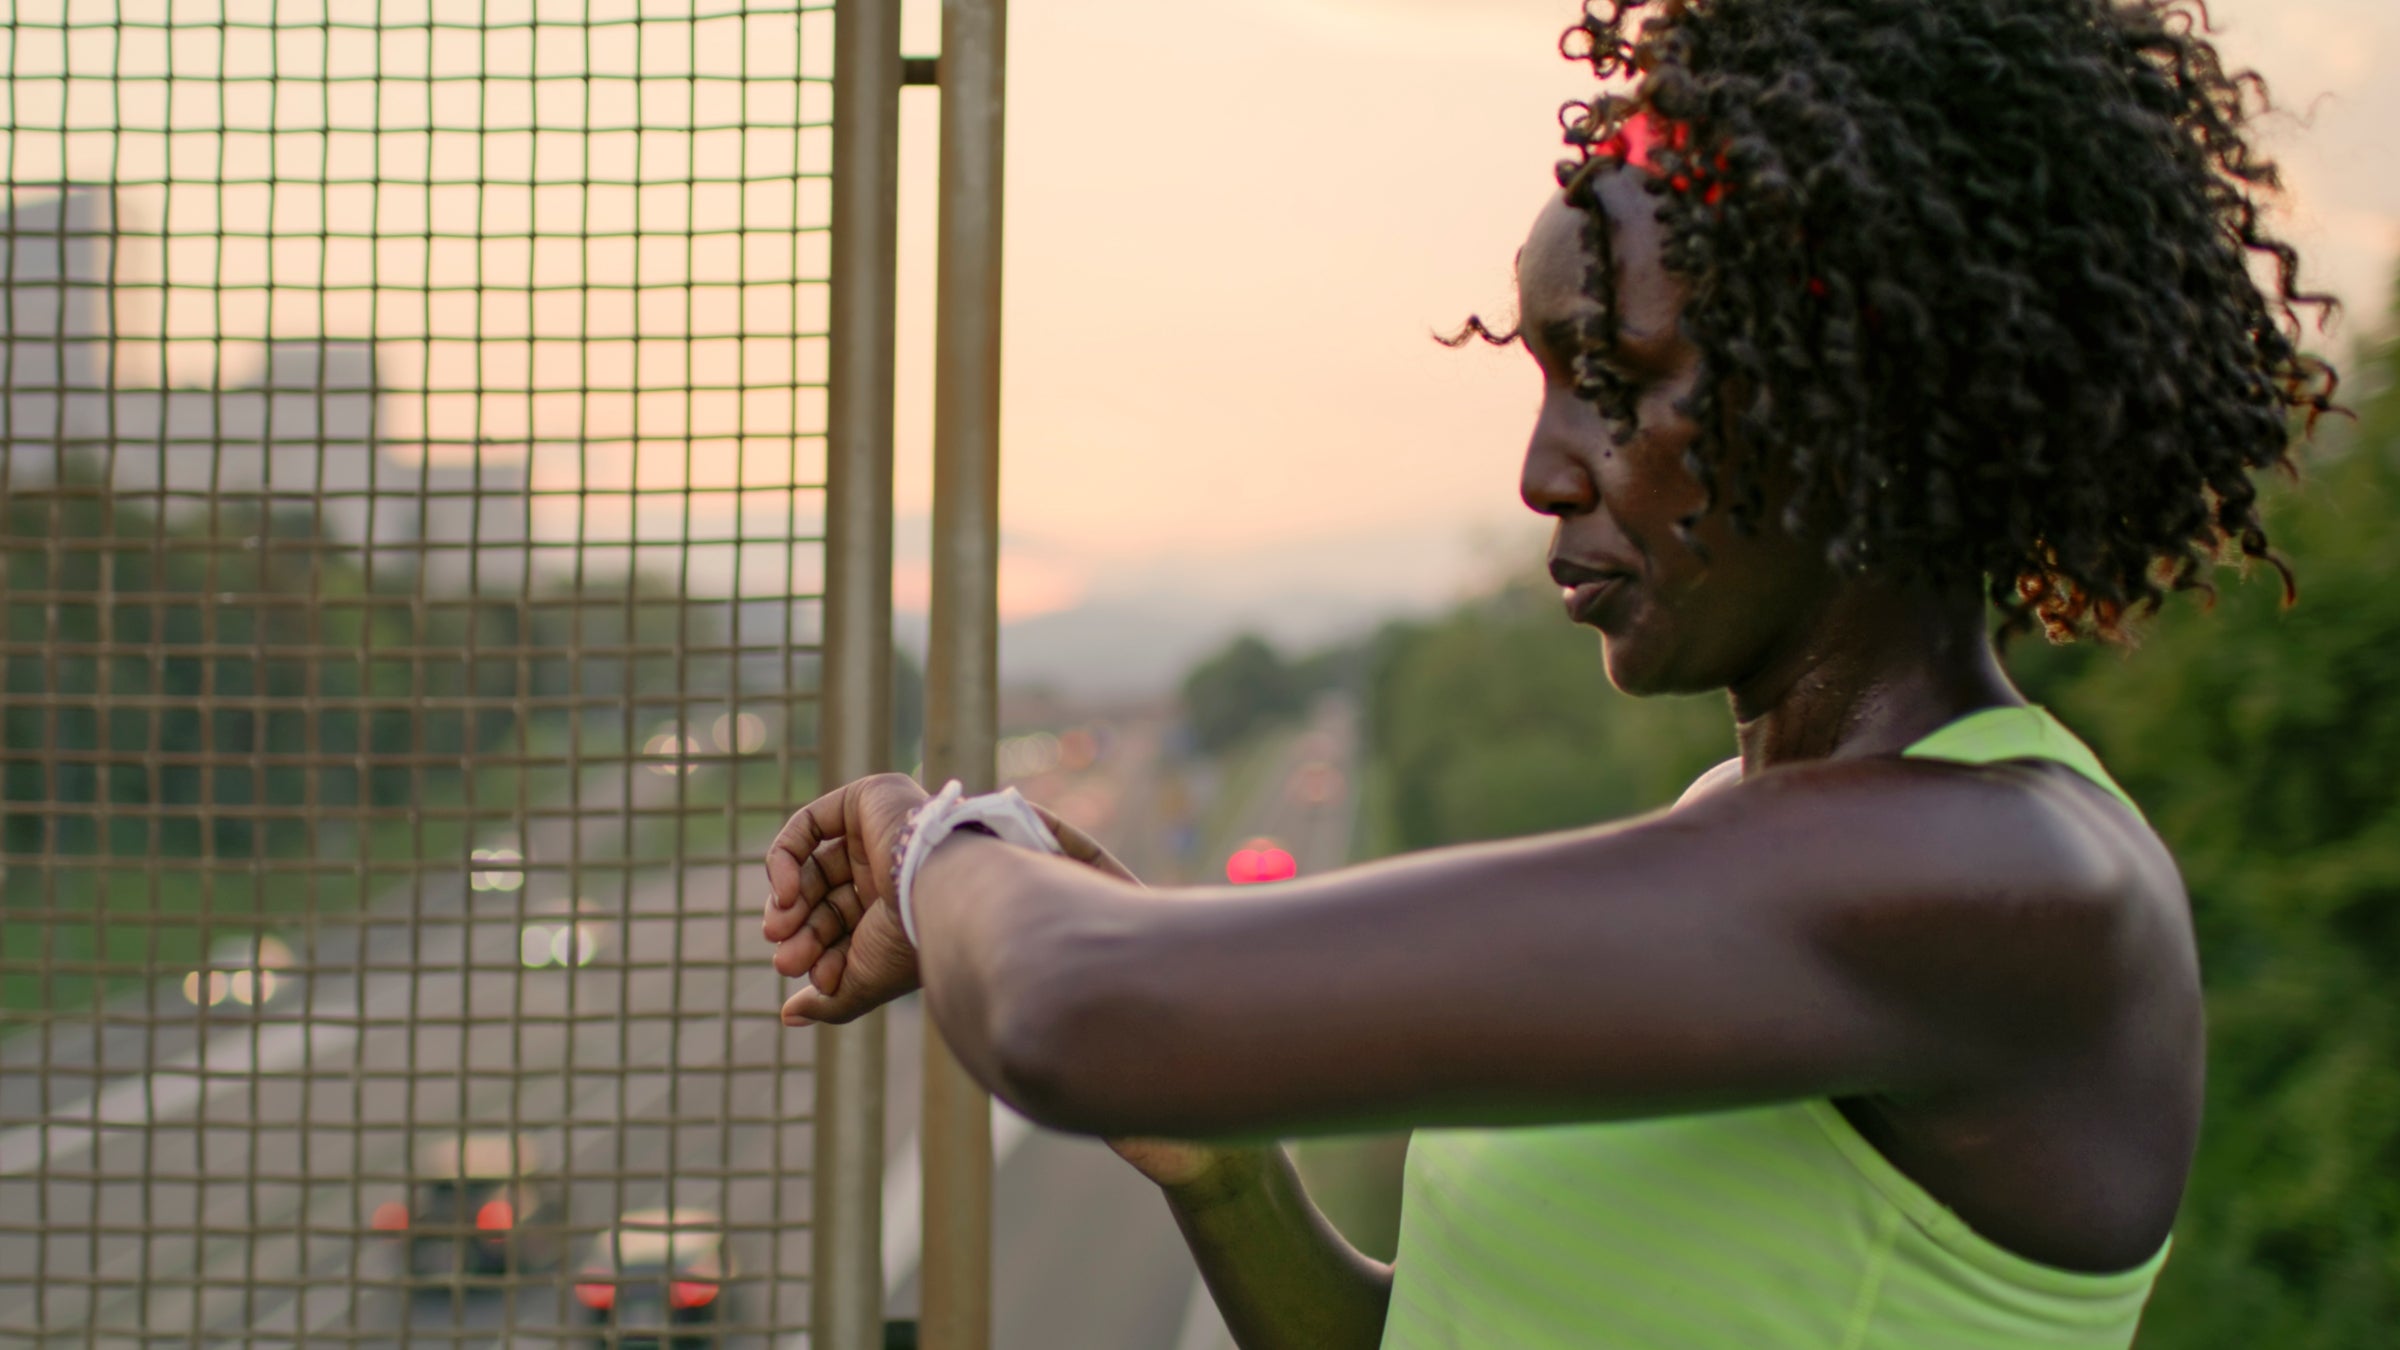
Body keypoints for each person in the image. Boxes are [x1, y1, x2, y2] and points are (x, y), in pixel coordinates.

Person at [760, 0, 2339, 1345]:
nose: (1542, 471)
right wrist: (1225, 1170)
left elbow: (1079, 1006)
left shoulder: (1998, 879)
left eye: (1616, 383)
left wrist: (937, 850)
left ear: (1849, 395)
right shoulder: (1756, 822)